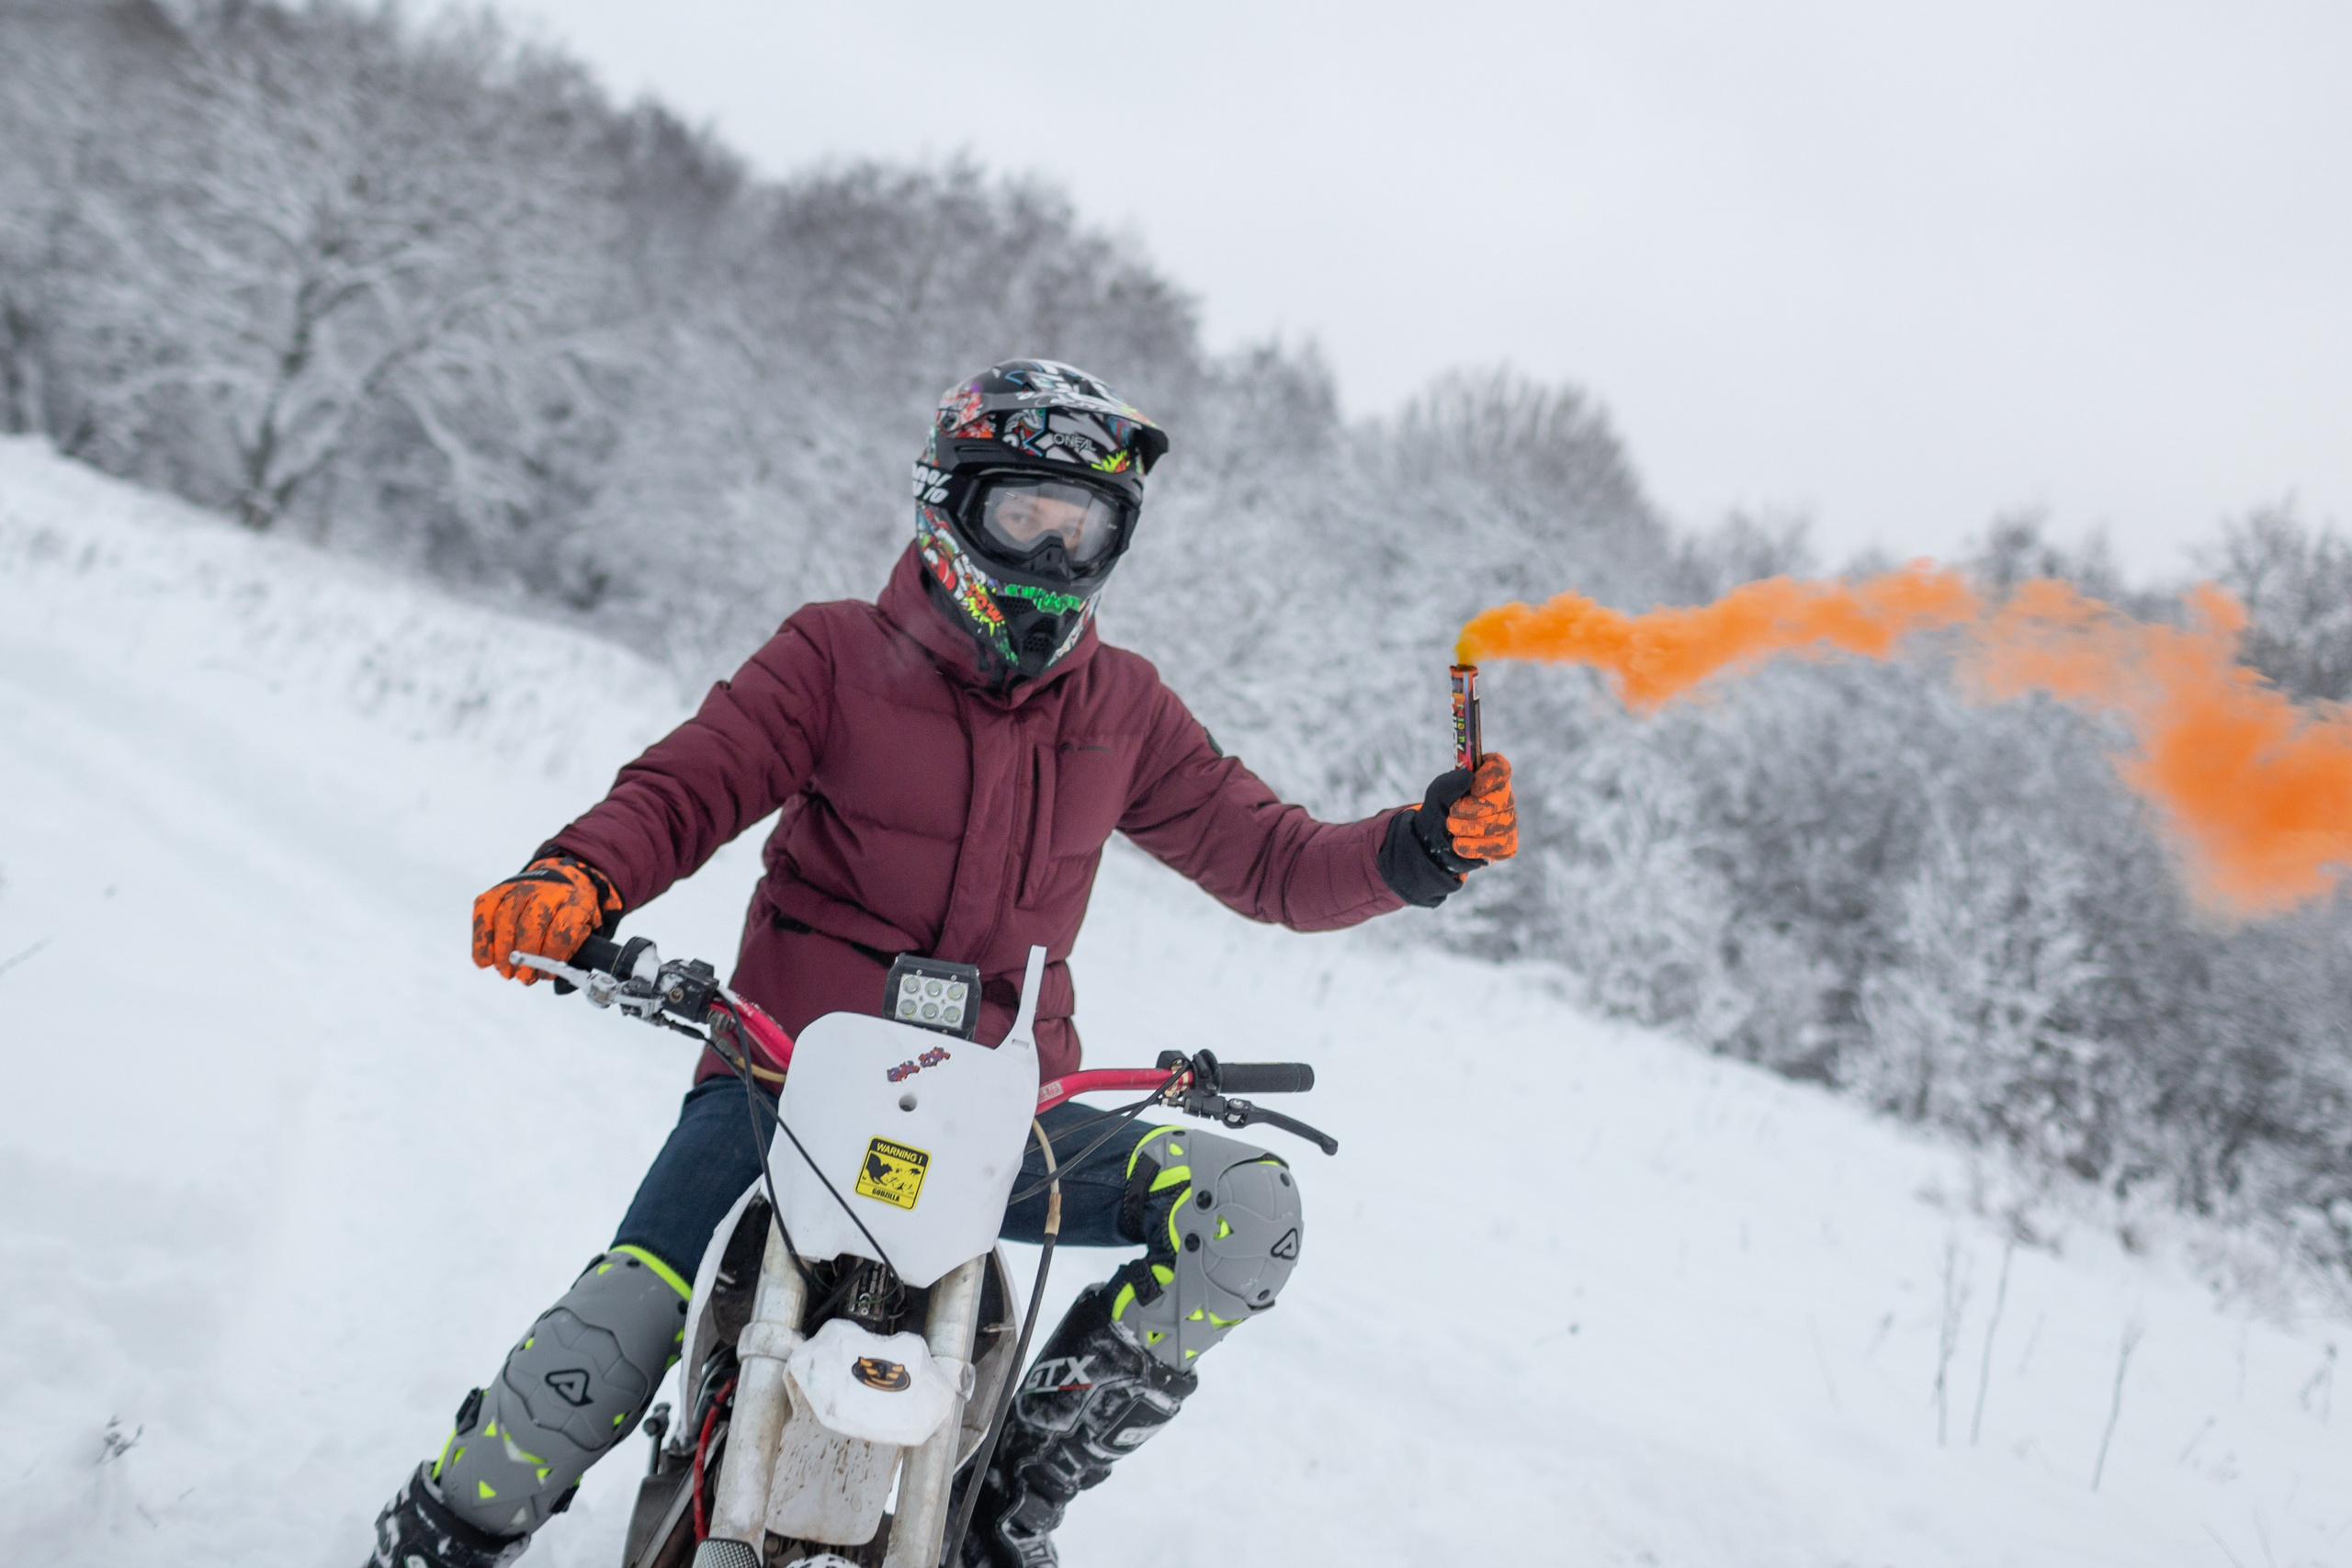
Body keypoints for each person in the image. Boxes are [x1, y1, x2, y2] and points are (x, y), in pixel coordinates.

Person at [365, 359, 1517, 1568]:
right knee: (617, 1322)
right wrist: (577, 879)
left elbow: (1273, 863)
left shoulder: (1124, 710)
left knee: (1247, 1209)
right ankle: (442, 1534)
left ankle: (1000, 1507)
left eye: (1087, 525)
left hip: (999, 1122)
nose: (1055, 549)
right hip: (784, 1086)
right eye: (1026, 512)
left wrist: (1421, 849)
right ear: (949, 505)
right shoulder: (832, 658)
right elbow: (686, 785)